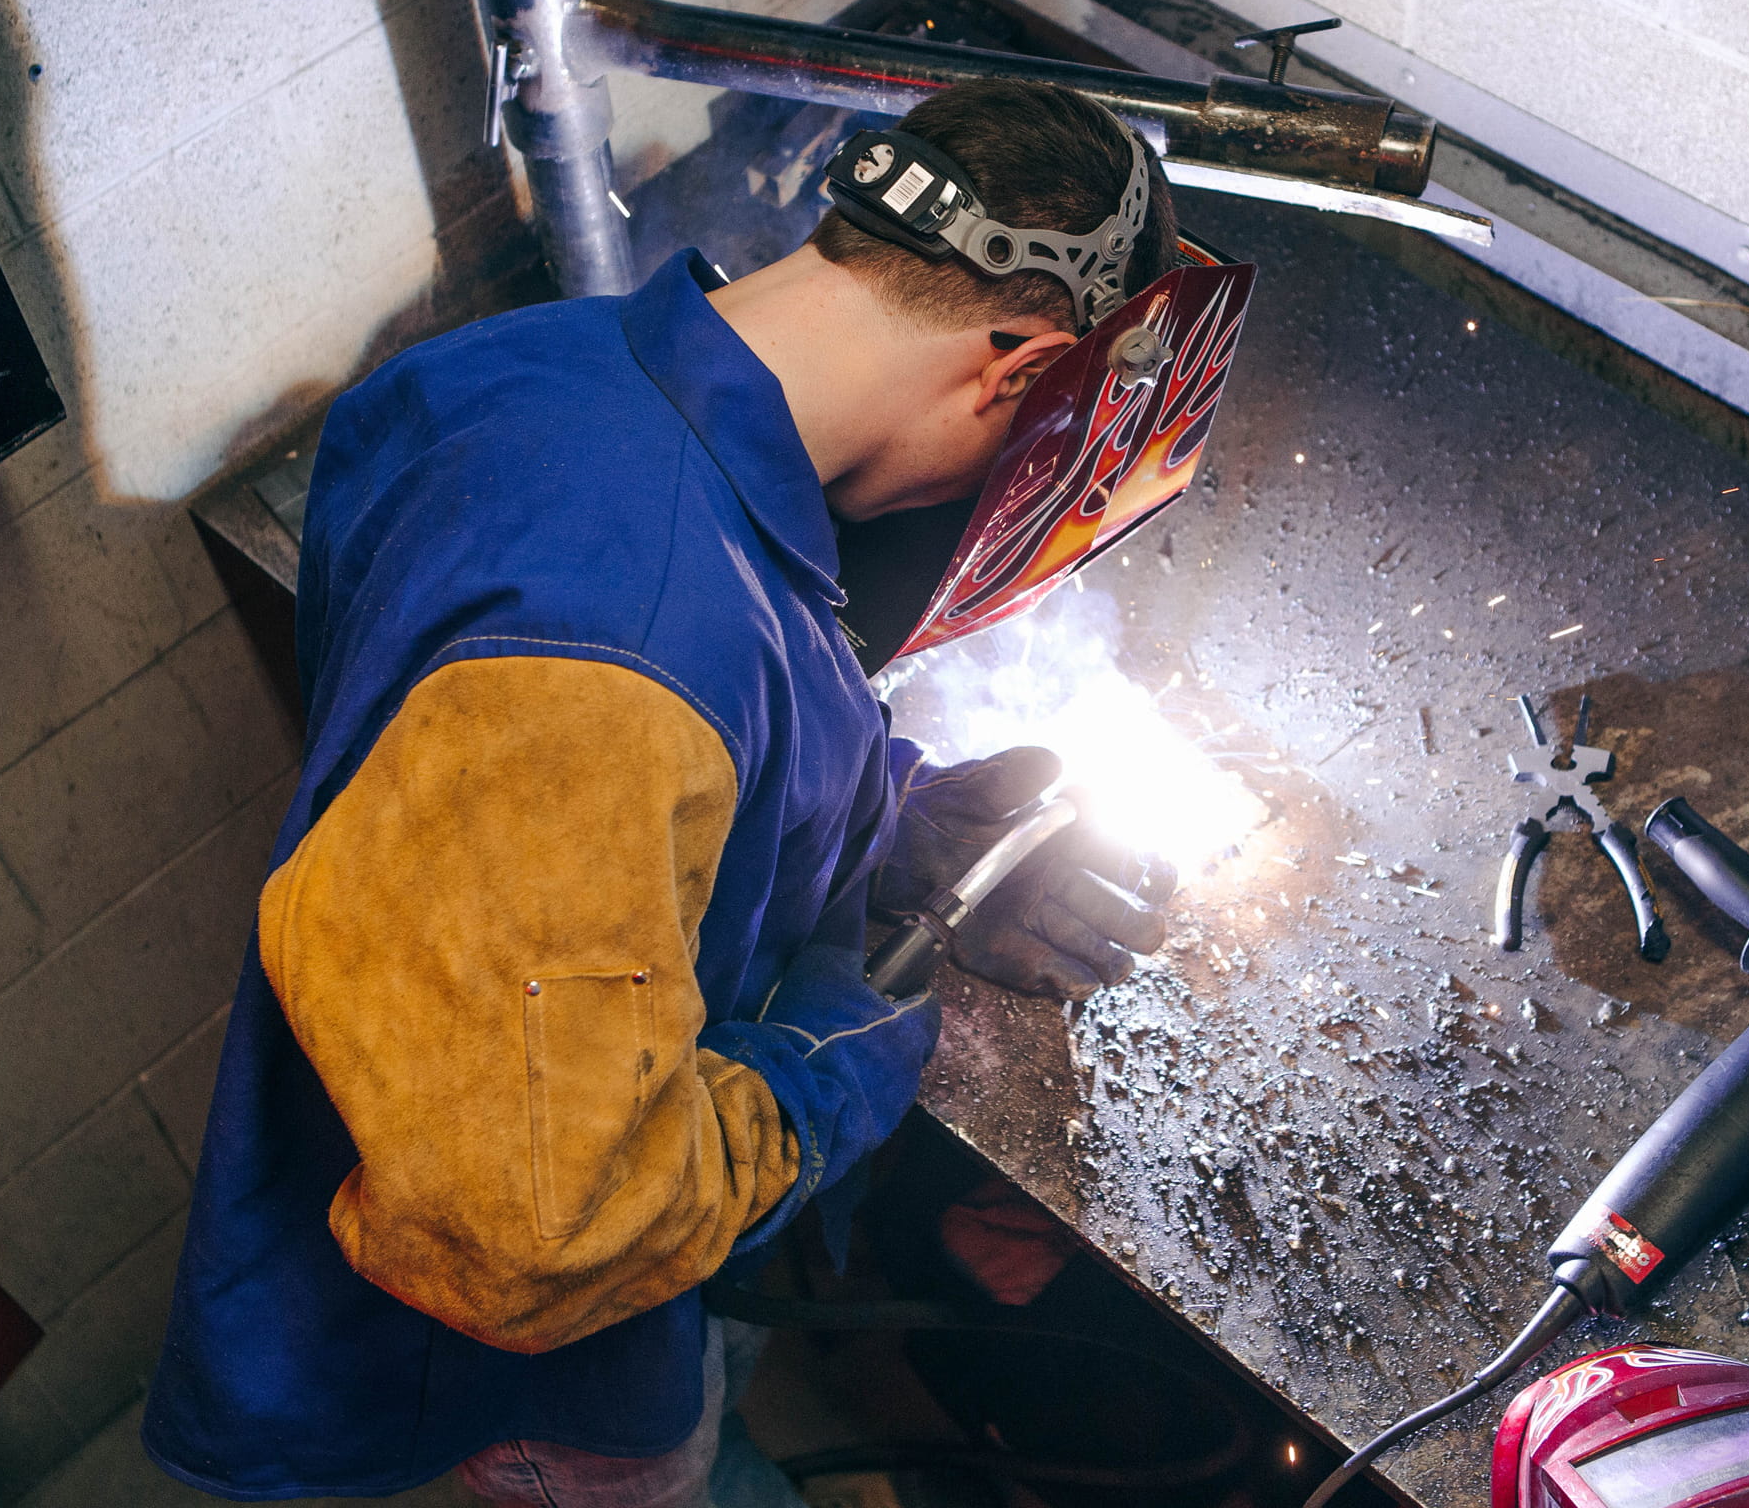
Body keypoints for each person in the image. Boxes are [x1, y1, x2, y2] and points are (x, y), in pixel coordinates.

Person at [142, 79, 1184, 1503]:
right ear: (1012, 370)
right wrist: (829, 1062)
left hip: (512, 1093)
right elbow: (543, 1241)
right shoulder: (619, 662)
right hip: (525, 1378)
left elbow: (622, 766)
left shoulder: (529, 373)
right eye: (1023, 443)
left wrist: (880, 820)